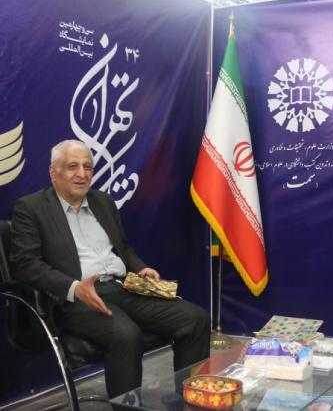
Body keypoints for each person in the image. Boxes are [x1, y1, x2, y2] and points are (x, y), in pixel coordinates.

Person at [9, 139, 211, 400]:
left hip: (126, 286)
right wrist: (74, 288)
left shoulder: (102, 201)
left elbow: (122, 248)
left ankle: (191, 401)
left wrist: (141, 269)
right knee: (126, 335)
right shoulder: (31, 207)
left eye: (87, 167)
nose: (82, 174)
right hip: (79, 297)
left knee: (195, 319)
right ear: (53, 172)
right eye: (72, 166)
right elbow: (25, 265)